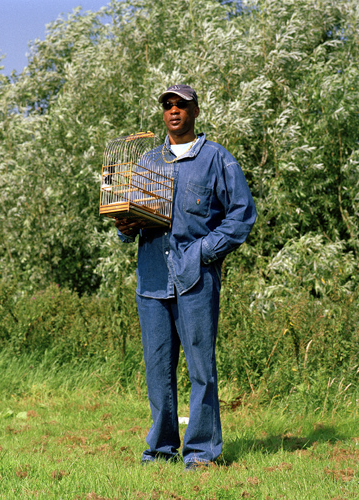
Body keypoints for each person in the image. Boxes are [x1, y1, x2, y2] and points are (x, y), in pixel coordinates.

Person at [115, 84, 257, 469]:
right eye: (168, 105)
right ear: (163, 113)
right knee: (158, 371)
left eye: (182, 105)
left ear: (195, 112)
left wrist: (203, 252)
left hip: (196, 278)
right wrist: (125, 225)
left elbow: (242, 215)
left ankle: (201, 454)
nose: (174, 110)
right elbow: (128, 220)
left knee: (201, 370)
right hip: (152, 279)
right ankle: (160, 451)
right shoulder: (146, 162)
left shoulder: (217, 159)